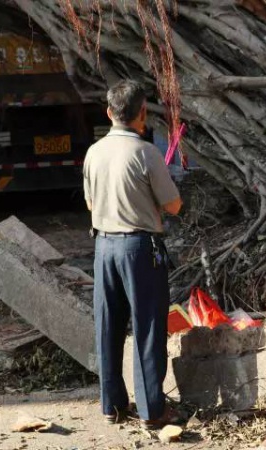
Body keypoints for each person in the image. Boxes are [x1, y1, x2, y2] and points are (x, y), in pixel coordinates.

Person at [83, 80, 183, 430]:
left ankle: (112, 405)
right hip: (140, 249)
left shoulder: (93, 153)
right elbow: (173, 205)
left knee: (108, 325)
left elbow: (90, 203)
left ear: (109, 113)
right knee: (147, 327)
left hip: (103, 247)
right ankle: (152, 411)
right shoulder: (146, 153)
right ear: (142, 113)